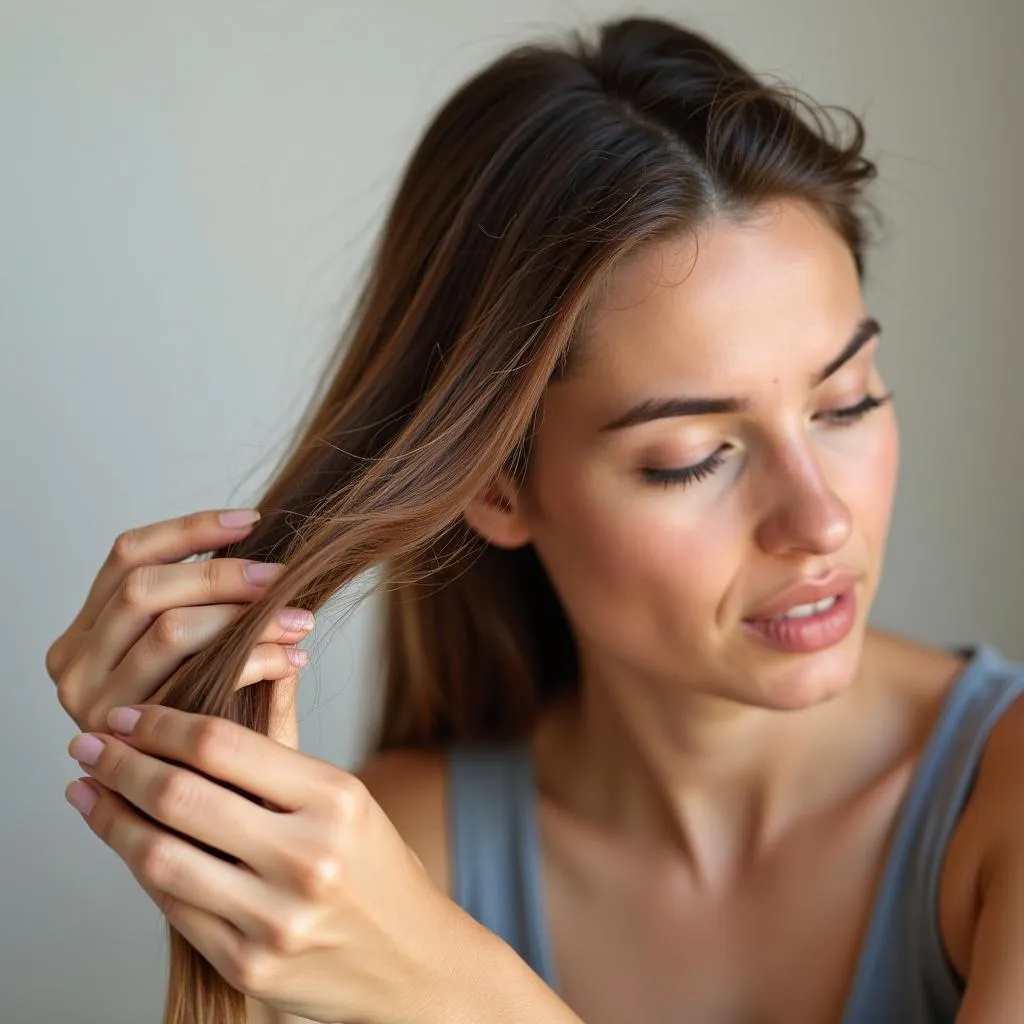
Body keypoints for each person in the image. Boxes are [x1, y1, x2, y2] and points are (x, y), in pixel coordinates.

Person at [45, 15, 1023, 1024]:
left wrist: (451, 986)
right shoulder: (383, 865)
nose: (816, 521)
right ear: (498, 489)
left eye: (846, 403)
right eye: (691, 458)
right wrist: (203, 819)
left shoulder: (1000, 800)